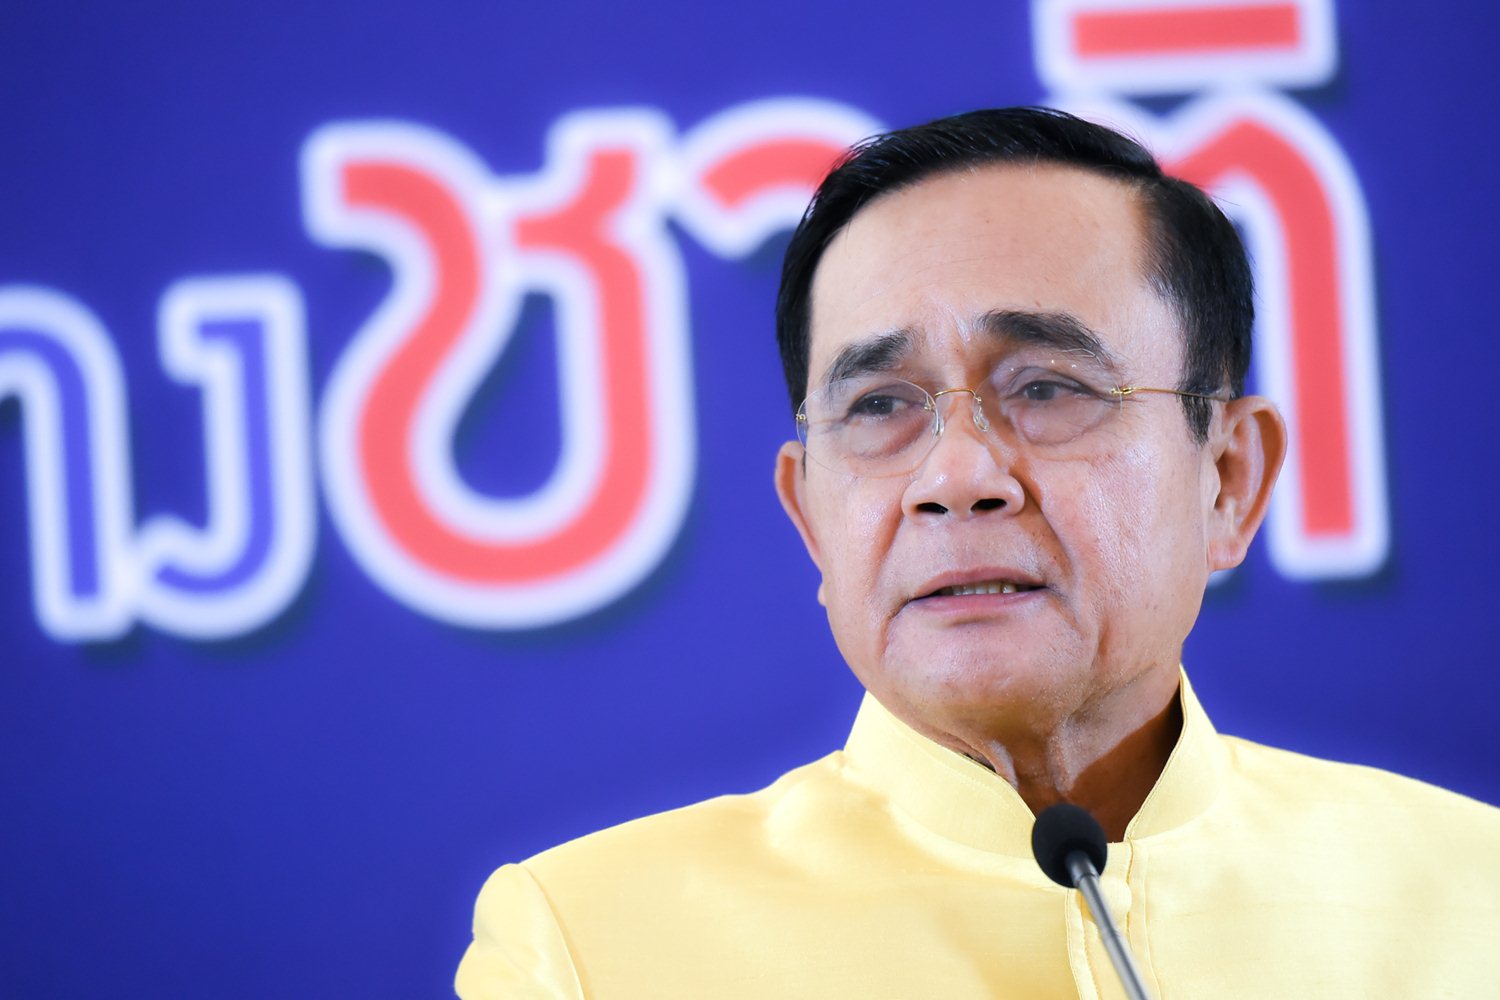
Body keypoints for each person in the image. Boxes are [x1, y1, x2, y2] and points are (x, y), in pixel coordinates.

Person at [455, 107, 1500, 998]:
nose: (956, 475)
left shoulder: (1472, 897)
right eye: (880, 405)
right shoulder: (592, 945)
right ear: (811, 519)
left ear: (1227, 478)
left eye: (1046, 387)